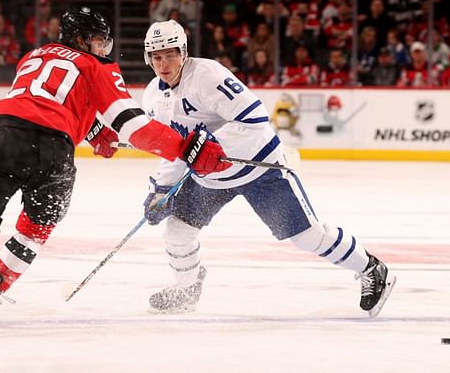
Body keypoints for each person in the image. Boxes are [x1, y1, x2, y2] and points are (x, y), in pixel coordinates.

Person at [0, 7, 232, 334]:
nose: (102, 47)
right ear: (82, 40)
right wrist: (188, 149)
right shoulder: (97, 66)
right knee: (35, 228)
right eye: (98, 40)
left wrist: (94, 132)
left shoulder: (34, 55)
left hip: (2, 137)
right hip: (51, 152)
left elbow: (49, 101)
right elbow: (133, 126)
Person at [140, 20, 396, 316]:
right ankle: (187, 289)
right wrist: (159, 191)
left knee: (306, 237)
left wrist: (212, 143)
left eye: (170, 54)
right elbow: (174, 149)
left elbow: (255, 119)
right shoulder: (153, 97)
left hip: (259, 168)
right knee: (177, 231)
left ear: (183, 52)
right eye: (156, 57)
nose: (163, 63)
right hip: (210, 178)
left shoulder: (207, 75)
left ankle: (371, 268)